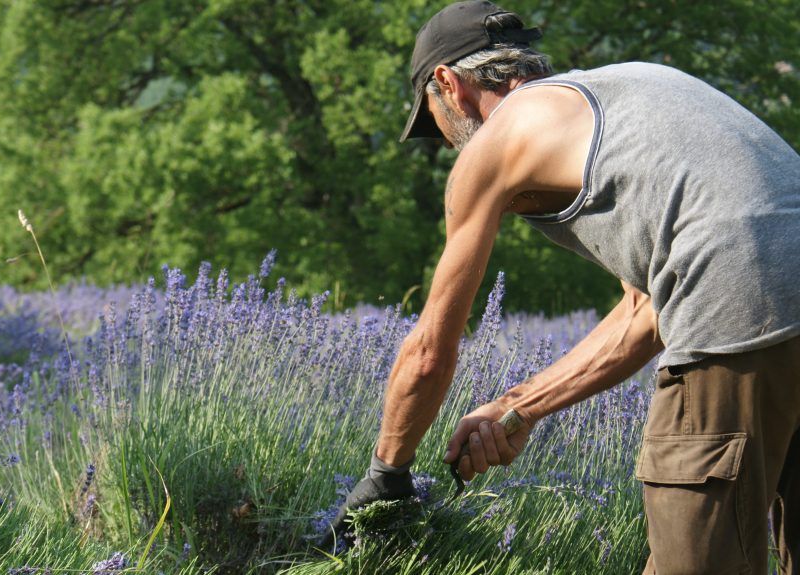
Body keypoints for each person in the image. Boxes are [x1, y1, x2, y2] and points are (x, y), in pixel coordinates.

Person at [324, 1, 800, 572]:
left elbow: (429, 352)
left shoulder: (495, 143)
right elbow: (645, 312)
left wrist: (386, 477)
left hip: (740, 308)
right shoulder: (635, 88)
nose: (449, 143)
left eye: (434, 120)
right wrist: (518, 408)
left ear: (448, 85)